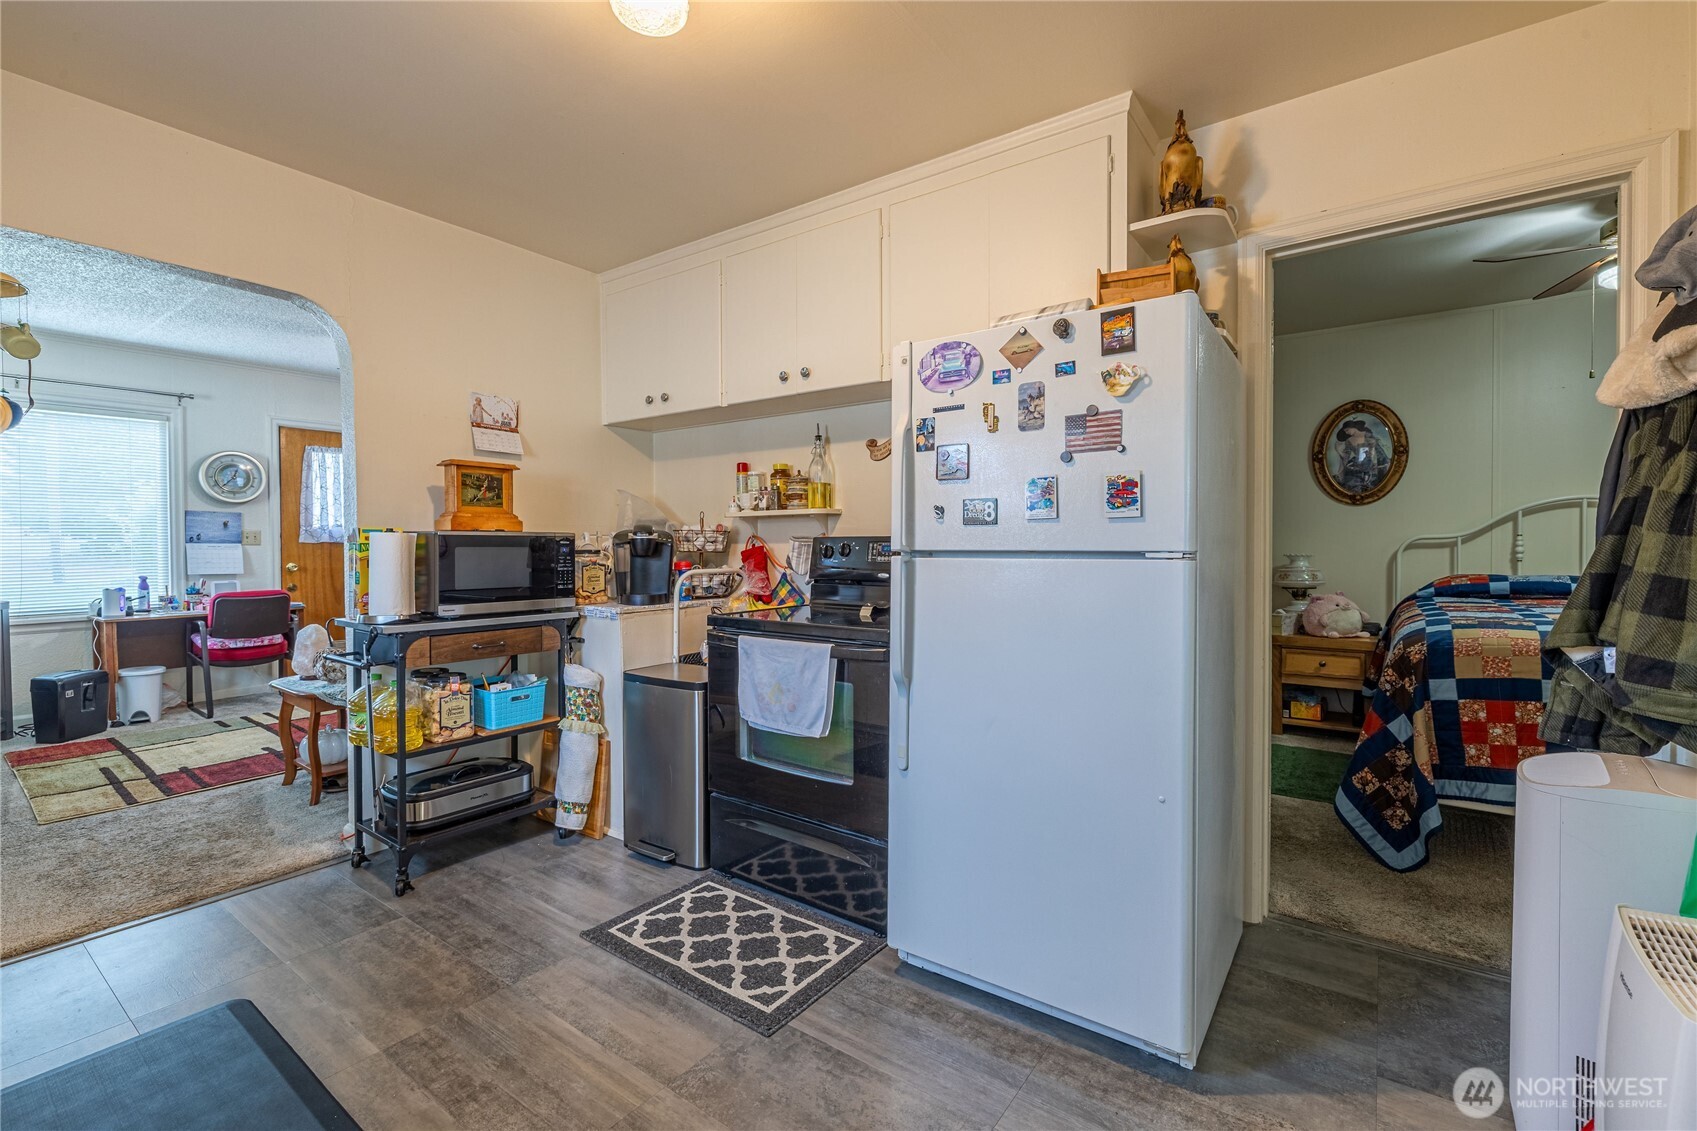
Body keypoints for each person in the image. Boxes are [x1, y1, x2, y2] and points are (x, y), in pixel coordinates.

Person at [1334, 418, 1390, 494]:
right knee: (1351, 478)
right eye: (1345, 432)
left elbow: (1377, 451)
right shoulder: (1349, 441)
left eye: (1347, 430)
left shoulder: (1367, 434)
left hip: (1371, 460)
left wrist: (1379, 461)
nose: (1347, 433)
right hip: (1358, 462)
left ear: (1353, 428)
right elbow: (1347, 455)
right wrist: (1342, 466)